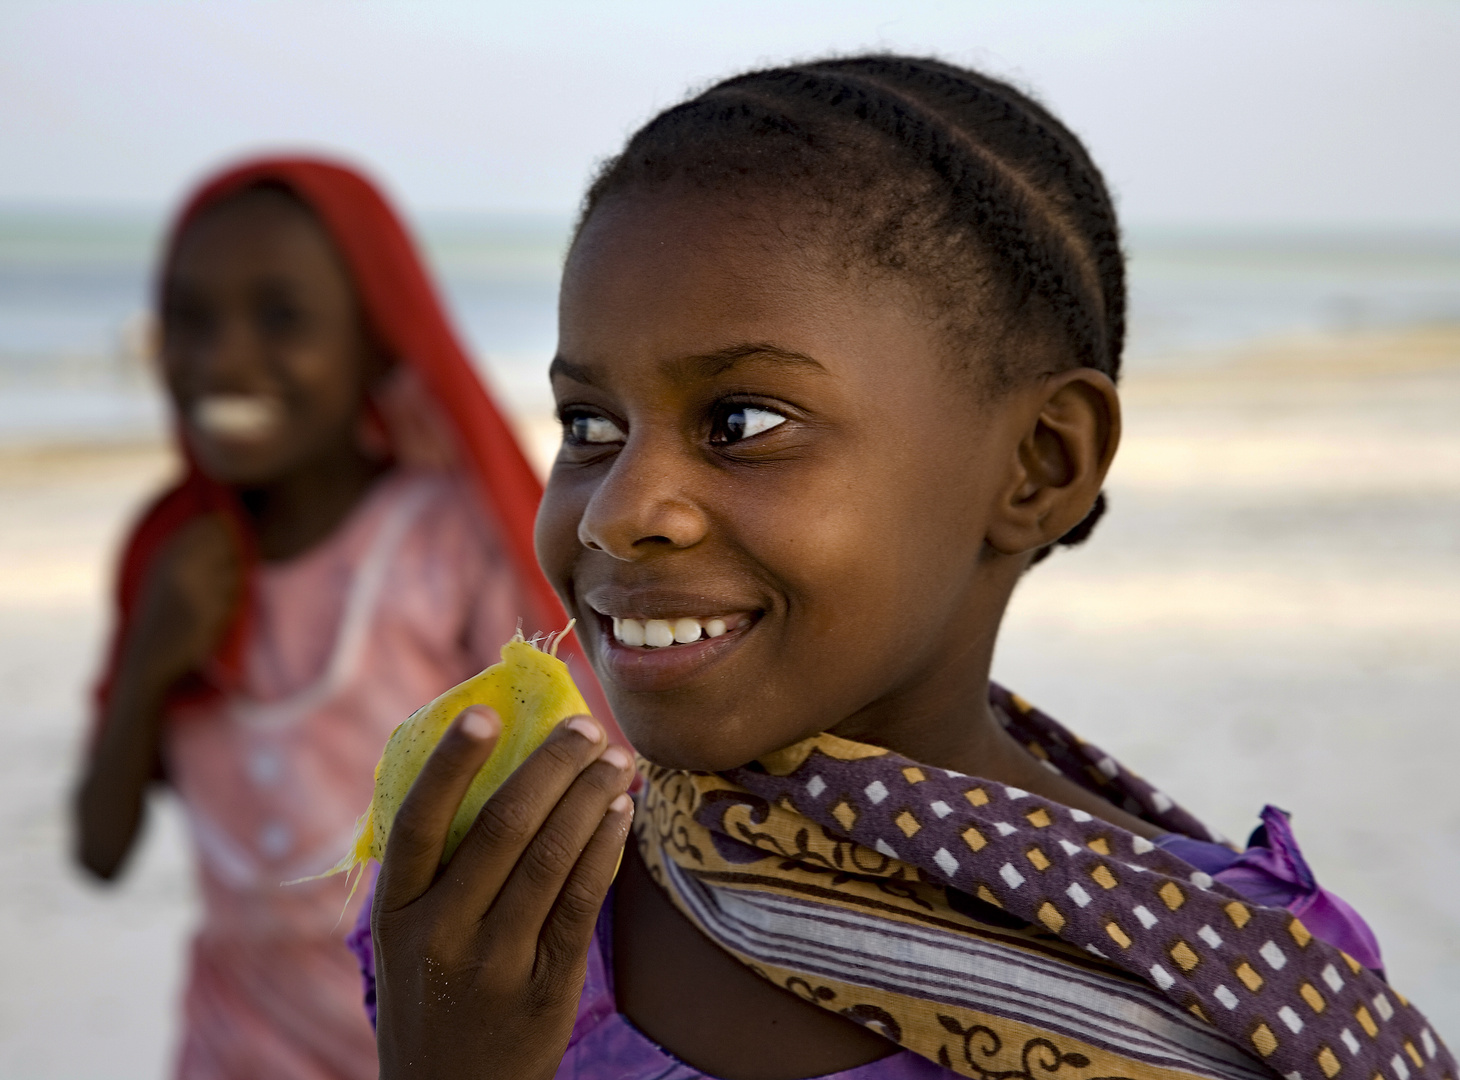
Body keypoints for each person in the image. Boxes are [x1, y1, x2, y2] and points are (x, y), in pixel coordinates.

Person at [356, 57, 1455, 1080]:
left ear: (1037, 464)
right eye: (590, 423)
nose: (620, 513)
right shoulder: (506, 927)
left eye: (742, 420)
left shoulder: (1223, 990)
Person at [73, 157, 605, 1080]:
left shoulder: (443, 542)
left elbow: (576, 787)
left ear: (375, 340)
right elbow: (100, 847)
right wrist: (154, 656)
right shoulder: (175, 559)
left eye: (281, 317)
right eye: (190, 319)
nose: (223, 359)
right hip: (235, 1049)